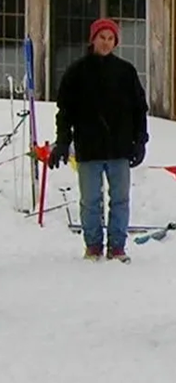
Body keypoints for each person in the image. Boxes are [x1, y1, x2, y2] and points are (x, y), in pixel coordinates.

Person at [48, 17, 148, 262]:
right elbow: (65, 112)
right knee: (90, 200)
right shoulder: (76, 72)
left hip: (120, 148)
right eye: (102, 37)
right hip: (88, 148)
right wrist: (63, 141)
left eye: (111, 38)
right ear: (92, 40)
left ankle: (117, 246)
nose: (106, 42)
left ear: (115, 42)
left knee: (120, 200)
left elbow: (139, 109)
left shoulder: (126, 72)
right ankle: (93, 245)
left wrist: (140, 140)